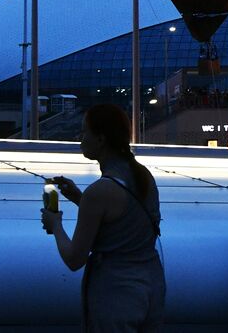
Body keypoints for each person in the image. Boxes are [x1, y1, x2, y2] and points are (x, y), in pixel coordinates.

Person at [41, 104, 165, 332]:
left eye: (84, 131)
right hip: (151, 286)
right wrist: (80, 198)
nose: (80, 138)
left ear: (101, 139)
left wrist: (55, 225)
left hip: (114, 295)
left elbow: (74, 259)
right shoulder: (143, 176)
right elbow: (124, 221)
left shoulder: (98, 193)